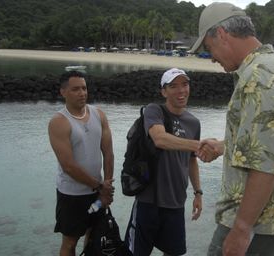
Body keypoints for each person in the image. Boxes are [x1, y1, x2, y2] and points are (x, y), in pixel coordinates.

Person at [191, 3, 274, 256]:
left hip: (252, 219)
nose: (211, 57)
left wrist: (241, 228)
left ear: (221, 33)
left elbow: (266, 165)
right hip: (271, 219)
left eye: (209, 48)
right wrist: (226, 146)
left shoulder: (259, 79)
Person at [124, 68, 203, 256]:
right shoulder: (154, 110)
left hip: (176, 202)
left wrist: (198, 192)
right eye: (173, 86)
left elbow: (192, 161)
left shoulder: (194, 123)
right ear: (163, 91)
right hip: (149, 201)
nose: (181, 90)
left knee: (174, 253)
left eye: (185, 84)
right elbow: (160, 139)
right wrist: (200, 145)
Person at [48, 70, 115, 256]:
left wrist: (107, 184)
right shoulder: (59, 122)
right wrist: (100, 186)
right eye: (76, 89)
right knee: (70, 242)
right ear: (63, 92)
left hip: (97, 193)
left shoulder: (99, 115)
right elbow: (68, 166)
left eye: (84, 88)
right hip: (72, 196)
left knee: (94, 235)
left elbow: (108, 152)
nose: (82, 93)